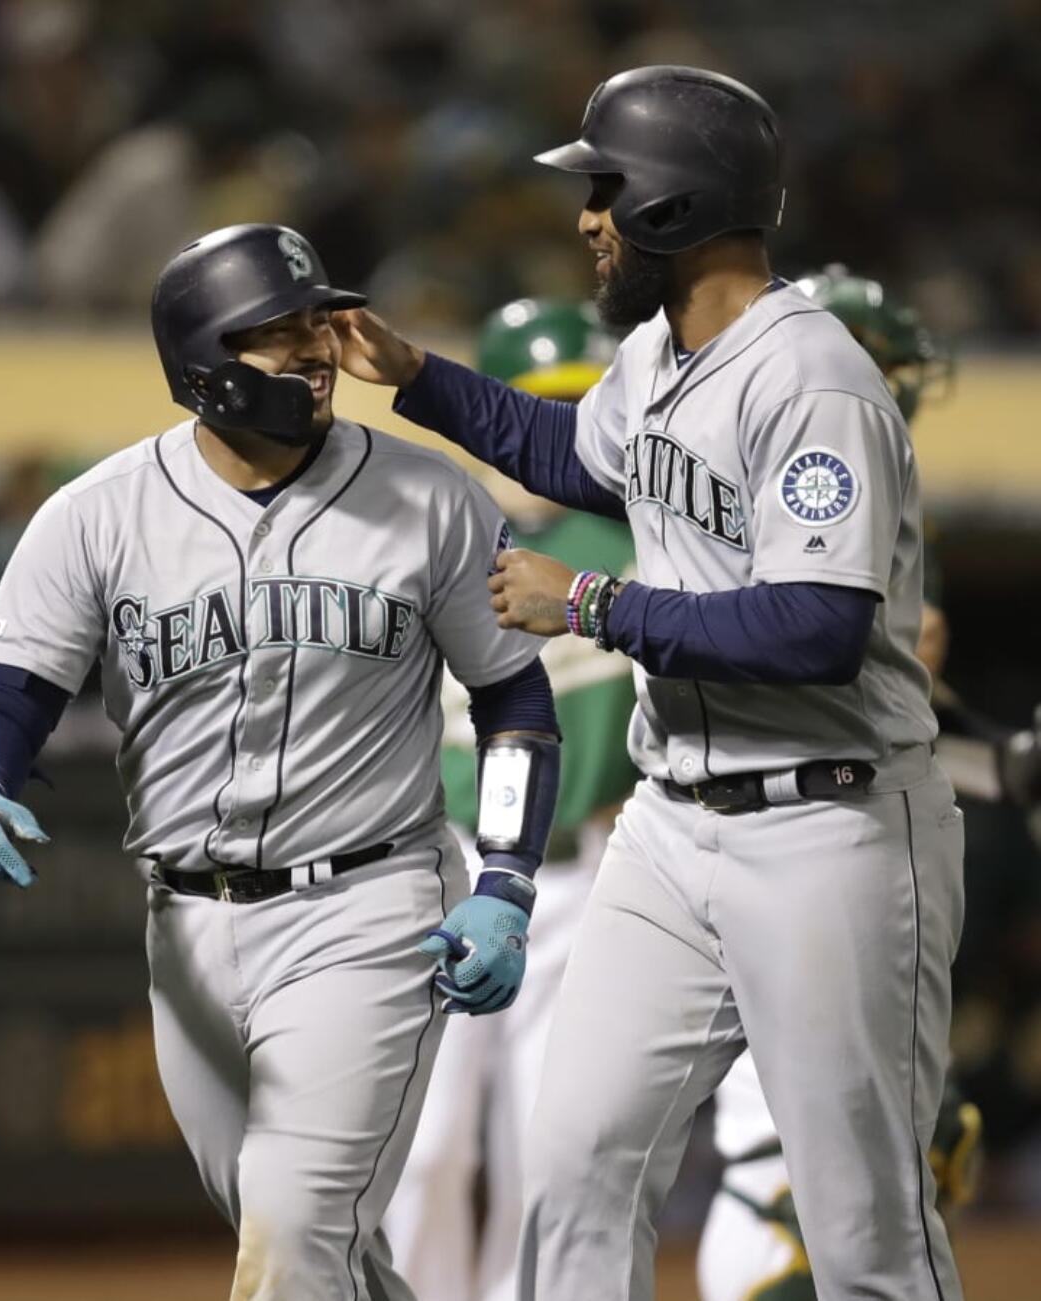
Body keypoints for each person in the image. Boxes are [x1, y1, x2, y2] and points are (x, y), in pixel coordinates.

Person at [337, 66, 966, 1300]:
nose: (586, 218)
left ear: (677, 204)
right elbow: (561, 451)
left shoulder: (812, 380)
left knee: (862, 1228)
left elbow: (815, 629)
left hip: (828, 825)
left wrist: (589, 605)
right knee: (573, 1165)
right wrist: (414, 373)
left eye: (606, 191)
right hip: (673, 826)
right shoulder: (659, 352)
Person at [0, 222, 562, 1301]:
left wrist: (502, 877)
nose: (315, 350)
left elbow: (511, 697)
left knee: (294, 1225)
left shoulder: (431, 497)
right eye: (276, 332)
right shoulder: (96, 514)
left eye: (317, 321)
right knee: (323, 1252)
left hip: (370, 905)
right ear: (202, 364)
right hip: (187, 929)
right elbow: (4, 694)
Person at [697, 265, 983, 1301]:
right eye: (889, 359)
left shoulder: (882, 474)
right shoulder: (763, 450)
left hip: (861, 811)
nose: (904, 381)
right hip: (741, 807)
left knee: (901, 1126)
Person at [384, 299, 638, 1301]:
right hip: (433, 866)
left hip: (584, 876)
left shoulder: (632, 539)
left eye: (583, 409)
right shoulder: (425, 530)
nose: (565, 436)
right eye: (544, 410)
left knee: (549, 1142)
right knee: (424, 1141)